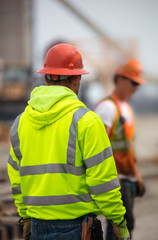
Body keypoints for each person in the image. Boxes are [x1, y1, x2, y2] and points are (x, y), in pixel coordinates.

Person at [7, 43, 130, 240]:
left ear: (46, 78)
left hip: (37, 227)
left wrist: (26, 217)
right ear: (76, 79)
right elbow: (103, 182)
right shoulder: (87, 122)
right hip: (78, 229)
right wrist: (118, 221)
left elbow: (17, 178)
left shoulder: (20, 123)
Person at [94, 59, 146, 240]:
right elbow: (98, 149)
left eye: (138, 84)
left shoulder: (126, 108)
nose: (136, 87)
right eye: (134, 82)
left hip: (127, 179)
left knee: (126, 228)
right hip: (117, 182)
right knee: (118, 230)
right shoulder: (107, 108)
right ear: (121, 79)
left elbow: (129, 148)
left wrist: (136, 175)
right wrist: (111, 179)